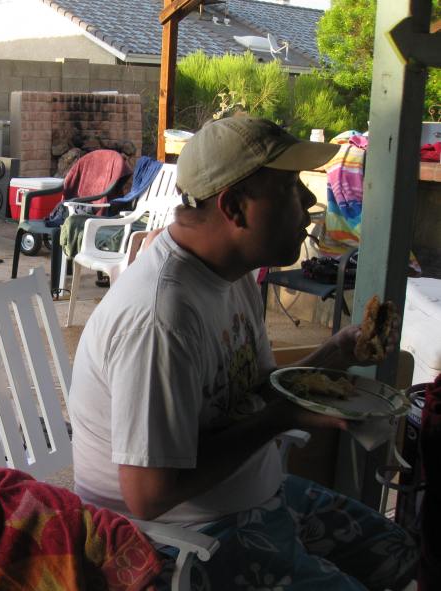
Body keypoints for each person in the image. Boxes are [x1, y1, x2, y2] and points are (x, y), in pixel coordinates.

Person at [69, 117, 418, 590]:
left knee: (403, 554)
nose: (309, 201)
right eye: (291, 187)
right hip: (179, 540)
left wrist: (337, 353)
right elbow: (149, 496)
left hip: (253, 496)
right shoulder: (160, 318)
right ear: (234, 207)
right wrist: (284, 418)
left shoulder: (230, 274)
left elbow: (253, 393)